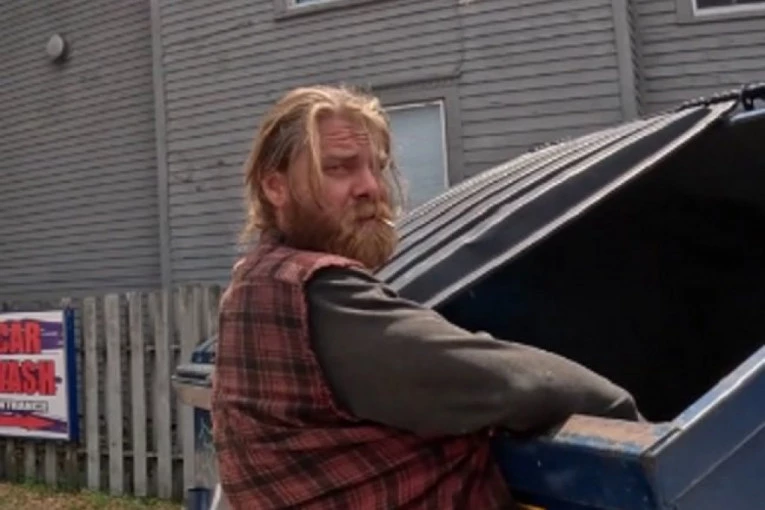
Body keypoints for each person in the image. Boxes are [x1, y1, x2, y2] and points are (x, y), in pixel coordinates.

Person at [211, 84, 643, 510]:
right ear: (276, 187)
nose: (371, 188)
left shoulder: (250, 285)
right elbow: (516, 383)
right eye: (339, 168)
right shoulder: (317, 294)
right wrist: (630, 420)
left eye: (376, 168)